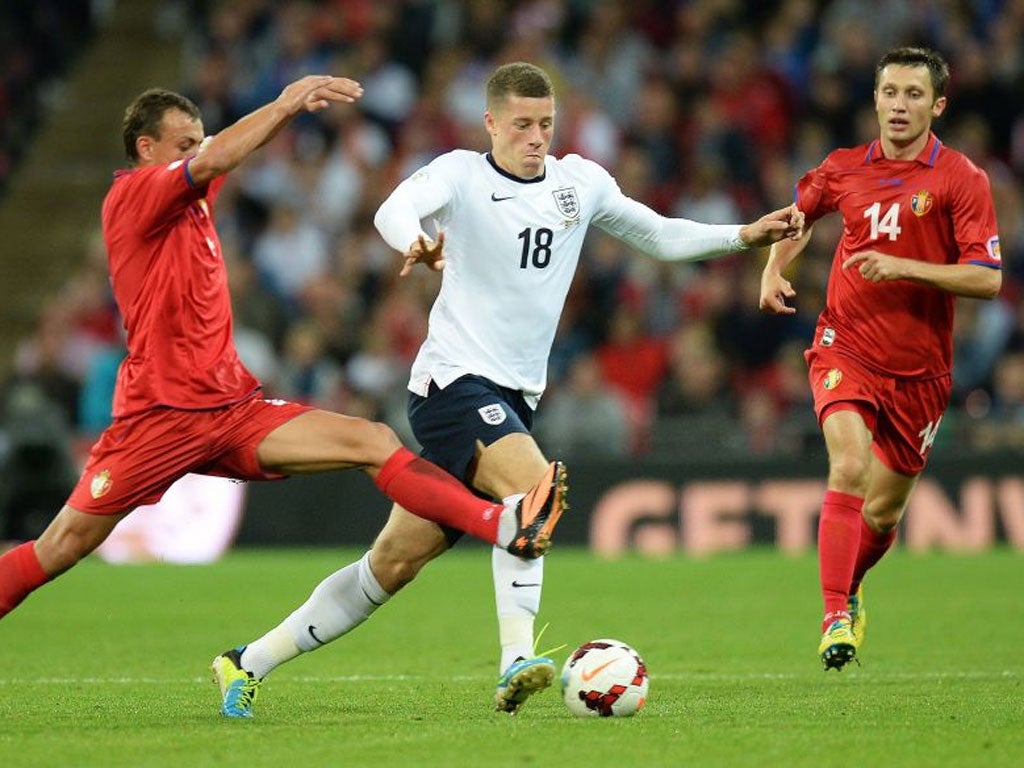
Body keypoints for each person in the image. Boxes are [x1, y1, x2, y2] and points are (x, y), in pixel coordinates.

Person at [222, 61, 804, 717]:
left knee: (391, 565)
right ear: (492, 123)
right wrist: (414, 239)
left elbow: (658, 234)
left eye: (546, 124)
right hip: (453, 384)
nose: (536, 137)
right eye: (522, 124)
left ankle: (246, 661)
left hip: (513, 397)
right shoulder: (462, 175)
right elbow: (396, 206)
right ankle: (514, 661)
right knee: (535, 488)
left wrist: (744, 235)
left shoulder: (579, 183)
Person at [0, 76, 569, 703]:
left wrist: (297, 124)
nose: (197, 150)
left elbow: (224, 150)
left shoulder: (192, 198)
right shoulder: (135, 197)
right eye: (182, 143)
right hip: (156, 421)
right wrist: (287, 101)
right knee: (60, 547)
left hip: (231, 410)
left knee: (373, 440)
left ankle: (501, 523)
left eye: (198, 139)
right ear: (144, 149)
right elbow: (217, 155)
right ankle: (505, 523)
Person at [758, 46, 1002, 670]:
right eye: (890, 92)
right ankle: (834, 614)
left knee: (885, 509)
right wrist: (772, 269)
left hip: (922, 369)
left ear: (937, 105)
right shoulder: (841, 168)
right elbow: (797, 219)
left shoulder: (961, 179)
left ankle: (853, 586)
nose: (899, 104)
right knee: (848, 468)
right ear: (875, 99)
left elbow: (986, 278)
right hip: (846, 344)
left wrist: (903, 267)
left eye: (914, 94)